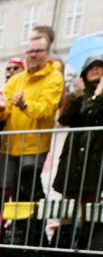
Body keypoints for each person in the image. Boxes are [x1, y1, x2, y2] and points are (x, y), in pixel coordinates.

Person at [0, 34, 65, 202]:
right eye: (30, 51)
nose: (33, 55)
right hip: (9, 145)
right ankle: (6, 224)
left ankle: (29, 226)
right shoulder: (16, 79)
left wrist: (24, 105)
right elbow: (3, 112)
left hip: (34, 146)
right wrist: (1, 107)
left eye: (38, 51)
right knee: (6, 188)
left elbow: (46, 108)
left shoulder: (54, 77)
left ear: (47, 53)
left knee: (27, 189)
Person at [52, 56, 103, 206]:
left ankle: (86, 229)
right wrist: (77, 98)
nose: (94, 69)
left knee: (90, 198)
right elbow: (64, 120)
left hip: (96, 153)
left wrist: (97, 97)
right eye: (90, 66)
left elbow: (93, 116)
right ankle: (66, 228)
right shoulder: (79, 94)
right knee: (68, 198)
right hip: (74, 153)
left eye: (99, 65)